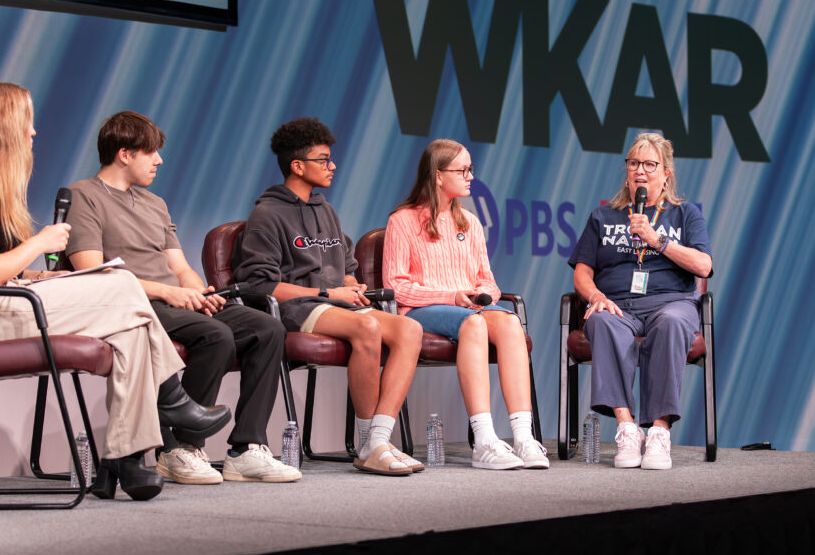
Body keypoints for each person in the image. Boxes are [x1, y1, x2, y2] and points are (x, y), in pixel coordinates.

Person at [0, 81, 230, 501]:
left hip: (3, 300)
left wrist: (41, 276)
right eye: (27, 123)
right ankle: (172, 399)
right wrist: (41, 242)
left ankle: (124, 461)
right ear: (1, 126)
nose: (33, 134)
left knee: (128, 332)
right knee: (122, 283)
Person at [66, 111, 300, 484]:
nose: (159, 160)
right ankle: (179, 449)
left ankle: (246, 448)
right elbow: (94, 274)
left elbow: (180, 266)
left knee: (267, 327)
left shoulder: (155, 204)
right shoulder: (83, 196)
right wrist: (171, 293)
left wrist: (196, 291)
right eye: (151, 153)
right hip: (132, 307)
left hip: (172, 299)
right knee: (215, 335)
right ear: (125, 154)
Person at [233, 117, 424, 477]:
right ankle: (370, 443)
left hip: (336, 304)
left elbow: (346, 266)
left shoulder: (327, 211)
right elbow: (261, 285)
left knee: (409, 330)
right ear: (297, 166)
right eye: (323, 160)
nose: (332, 166)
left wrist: (351, 286)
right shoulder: (266, 214)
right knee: (367, 328)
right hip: (296, 308)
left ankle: (377, 441)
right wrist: (326, 292)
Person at [383, 139, 549, 470]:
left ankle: (523, 437)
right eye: (463, 170)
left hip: (467, 308)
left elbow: (487, 279)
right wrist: (451, 296)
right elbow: (396, 287)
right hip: (422, 312)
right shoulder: (402, 220)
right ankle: (484, 441)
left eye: (471, 169)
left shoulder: (469, 222)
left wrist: (481, 295)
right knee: (473, 324)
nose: (471, 176)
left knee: (510, 322)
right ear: (438, 175)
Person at [569, 132, 713, 470]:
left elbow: (704, 266)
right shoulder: (603, 216)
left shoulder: (685, 214)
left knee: (673, 322)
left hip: (670, 303)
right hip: (618, 304)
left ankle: (660, 431)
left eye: (650, 164)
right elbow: (581, 273)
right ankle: (626, 427)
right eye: (634, 163)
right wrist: (596, 296)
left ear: (666, 173)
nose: (640, 171)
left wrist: (655, 239)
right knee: (600, 319)